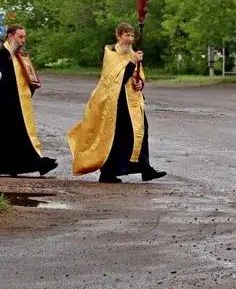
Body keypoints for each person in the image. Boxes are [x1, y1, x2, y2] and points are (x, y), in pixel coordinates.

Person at [67, 23, 166, 183]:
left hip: (133, 102)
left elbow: (138, 74)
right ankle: (108, 173)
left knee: (141, 132)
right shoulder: (111, 53)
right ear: (118, 36)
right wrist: (133, 62)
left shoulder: (132, 54)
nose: (130, 39)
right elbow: (115, 78)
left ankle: (145, 169)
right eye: (127, 35)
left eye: (132, 36)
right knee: (115, 136)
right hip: (115, 103)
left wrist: (140, 83)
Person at [0, 24, 58, 176]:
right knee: (8, 137)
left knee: (20, 136)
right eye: (20, 37)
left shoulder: (20, 56)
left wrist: (32, 85)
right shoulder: (2, 54)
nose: (23, 40)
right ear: (10, 36)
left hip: (17, 104)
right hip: (4, 104)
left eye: (24, 37)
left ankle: (32, 164)